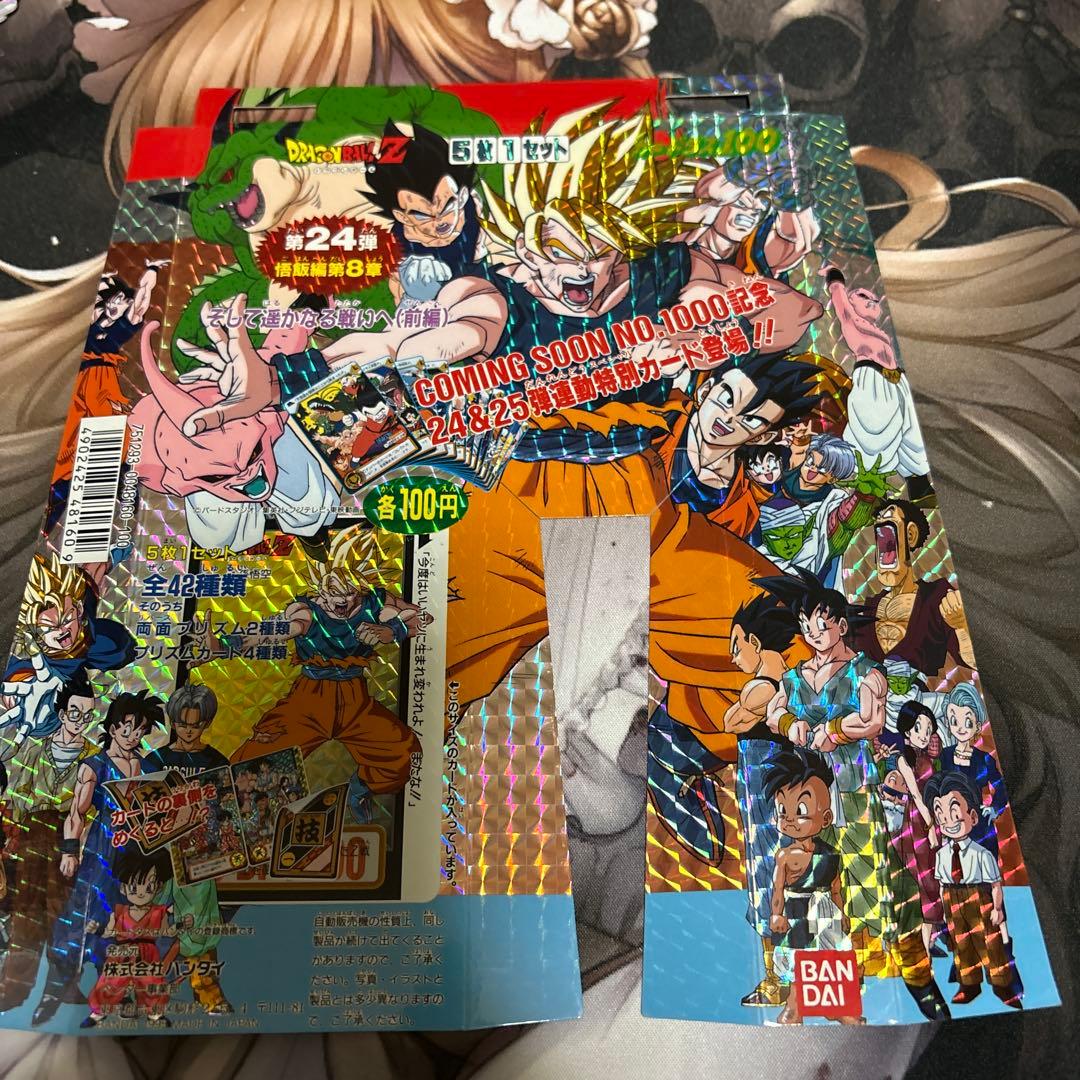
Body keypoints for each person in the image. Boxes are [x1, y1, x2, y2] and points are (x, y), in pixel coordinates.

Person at [759, 567, 949, 1019]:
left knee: (876, 887)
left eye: (821, 624)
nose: (814, 634)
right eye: (806, 626)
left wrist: (834, 731)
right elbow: (772, 711)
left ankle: (914, 980)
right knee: (811, 894)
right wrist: (791, 724)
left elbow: (873, 720)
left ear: (842, 625)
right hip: (808, 805)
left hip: (855, 797)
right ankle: (815, 992)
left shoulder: (866, 672)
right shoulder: (796, 676)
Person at [218, 525, 429, 824]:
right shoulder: (306, 611)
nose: (343, 602)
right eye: (333, 592)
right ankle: (242, 820)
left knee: (403, 753)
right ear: (320, 584)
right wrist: (231, 643)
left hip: (356, 701)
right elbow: (278, 629)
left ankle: (359, 789)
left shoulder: (374, 603)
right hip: (309, 700)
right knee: (251, 766)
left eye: (351, 592)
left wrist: (391, 629)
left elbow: (423, 617)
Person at [32, 690, 162, 1026]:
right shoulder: (94, 767)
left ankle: (116, 992)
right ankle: (55, 992)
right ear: (113, 727)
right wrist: (69, 851)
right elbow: (77, 812)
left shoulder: (149, 766)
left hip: (137, 854)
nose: (133, 736)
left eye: (140, 730)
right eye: (127, 728)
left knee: (129, 923)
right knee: (83, 914)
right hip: (102, 850)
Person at [47, 261, 168, 532]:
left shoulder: (121, 327)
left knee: (113, 439)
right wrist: (99, 280)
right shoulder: (90, 321)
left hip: (102, 384)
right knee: (66, 446)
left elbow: (141, 300)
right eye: (114, 299)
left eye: (122, 301)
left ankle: (124, 487)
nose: (117, 304)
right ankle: (57, 501)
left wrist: (151, 271)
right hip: (75, 384)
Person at [0, 674, 97, 1012]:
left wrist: (80, 842)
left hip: (71, 837)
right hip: (32, 831)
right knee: (26, 911)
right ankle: (14, 987)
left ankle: (63, 986)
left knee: (65, 912)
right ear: (62, 712)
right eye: (75, 713)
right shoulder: (36, 747)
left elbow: (92, 806)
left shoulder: (93, 757)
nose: (80, 721)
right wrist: (13, 837)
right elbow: (17, 792)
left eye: (87, 715)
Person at [723, 593, 801, 1008]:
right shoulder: (789, 684)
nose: (733, 656)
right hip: (771, 798)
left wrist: (747, 711)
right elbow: (733, 719)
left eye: (736, 645)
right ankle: (783, 978)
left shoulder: (764, 687)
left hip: (769, 800)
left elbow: (731, 720)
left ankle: (779, 980)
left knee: (773, 881)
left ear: (755, 642)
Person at [142, 683, 231, 1014]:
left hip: (198, 853)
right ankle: (147, 994)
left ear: (206, 723)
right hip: (159, 852)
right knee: (147, 920)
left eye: (196, 724)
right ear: (172, 721)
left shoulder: (215, 760)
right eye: (182, 723)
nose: (189, 731)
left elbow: (225, 809)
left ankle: (207, 992)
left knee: (199, 925)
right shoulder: (156, 760)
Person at [853, 498, 974, 733]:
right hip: (872, 721)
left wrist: (960, 626)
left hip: (919, 722)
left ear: (910, 535)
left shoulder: (937, 596)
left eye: (888, 523)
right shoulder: (868, 607)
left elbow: (971, 662)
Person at [822, 261, 933, 501]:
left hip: (896, 381)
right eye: (863, 297)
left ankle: (920, 487)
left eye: (874, 299)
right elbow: (841, 303)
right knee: (874, 435)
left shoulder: (877, 329)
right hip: (872, 380)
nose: (872, 301)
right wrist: (835, 279)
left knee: (910, 434)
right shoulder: (851, 320)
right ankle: (868, 493)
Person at [762, 746, 854, 1026]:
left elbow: (836, 887)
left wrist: (841, 912)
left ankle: (836, 1007)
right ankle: (794, 1008)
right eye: (783, 810)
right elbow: (777, 889)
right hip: (796, 913)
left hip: (825, 913)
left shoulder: (831, 854)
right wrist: (776, 914)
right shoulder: (784, 856)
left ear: (825, 818)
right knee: (799, 961)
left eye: (800, 810)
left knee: (831, 960)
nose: (790, 818)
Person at [925, 770, 1022, 1009]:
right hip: (952, 898)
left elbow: (995, 885)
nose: (948, 821)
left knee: (989, 941)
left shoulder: (982, 854)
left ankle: (1002, 984)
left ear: (973, 816)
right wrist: (944, 911)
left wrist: (997, 909)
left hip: (978, 895)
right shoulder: (942, 855)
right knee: (962, 944)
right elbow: (941, 884)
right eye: (941, 815)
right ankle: (968, 985)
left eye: (954, 812)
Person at [366, 123, 483, 304]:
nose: (438, 220)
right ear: (402, 216)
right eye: (421, 215)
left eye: (447, 205)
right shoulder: (399, 246)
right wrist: (414, 296)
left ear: (462, 196)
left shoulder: (472, 210)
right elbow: (399, 296)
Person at [81, 847, 180, 1028]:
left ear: (158, 887)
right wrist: (97, 930)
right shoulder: (119, 911)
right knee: (111, 982)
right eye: (134, 888)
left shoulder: (159, 912)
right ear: (124, 888)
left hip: (148, 954)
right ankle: (98, 1012)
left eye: (149, 887)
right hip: (122, 953)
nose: (141, 893)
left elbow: (166, 932)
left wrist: (180, 926)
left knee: (151, 983)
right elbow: (109, 932)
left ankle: (155, 1014)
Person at [882, 701, 943, 957]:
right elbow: (916, 794)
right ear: (907, 729)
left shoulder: (927, 758)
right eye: (919, 728)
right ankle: (917, 942)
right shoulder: (903, 759)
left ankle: (930, 939)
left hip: (932, 817)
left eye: (928, 729)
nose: (924, 734)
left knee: (934, 877)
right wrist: (929, 825)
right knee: (921, 878)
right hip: (916, 821)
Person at [938, 682, 1010, 862]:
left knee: (986, 868)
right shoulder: (944, 756)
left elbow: (1001, 787)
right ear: (947, 723)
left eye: (968, 722)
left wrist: (994, 809)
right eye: (954, 721)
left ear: (977, 726)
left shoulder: (984, 759)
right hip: (953, 823)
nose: (961, 728)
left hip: (980, 826)